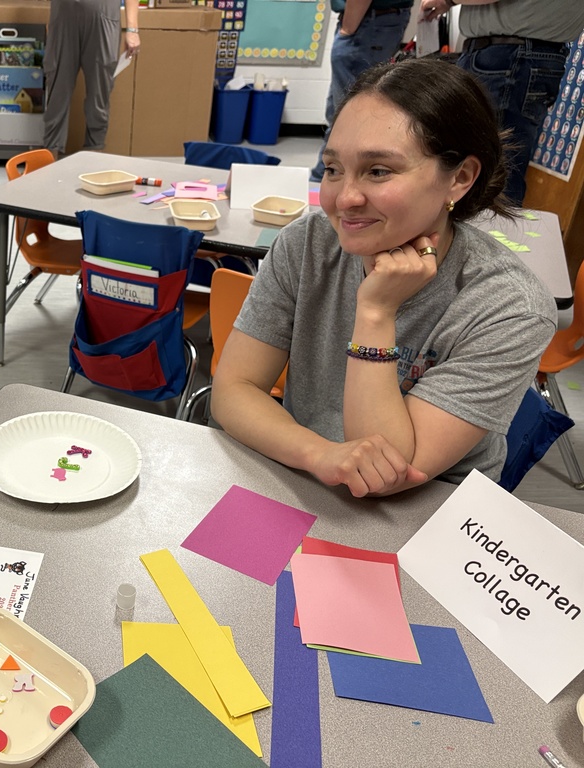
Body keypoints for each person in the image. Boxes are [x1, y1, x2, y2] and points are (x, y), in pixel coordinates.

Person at [211, 57, 556, 498]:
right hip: (307, 479)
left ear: (461, 178)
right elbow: (234, 390)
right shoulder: (307, 244)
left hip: (426, 511)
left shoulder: (509, 306)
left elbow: (390, 473)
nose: (344, 198)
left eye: (378, 171)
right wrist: (319, 454)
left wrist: (375, 311)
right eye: (333, 169)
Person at [420, 0, 584, 207]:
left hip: (510, 55)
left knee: (494, 174)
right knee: (490, 168)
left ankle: (487, 238)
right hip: (513, 52)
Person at [310, 0, 413, 182]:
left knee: (349, 111)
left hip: (366, 22)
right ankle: (327, 175)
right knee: (344, 107)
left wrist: (347, 30)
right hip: (374, 20)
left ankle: (330, 178)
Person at [42, 0, 141, 158]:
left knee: (99, 91)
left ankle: (93, 155)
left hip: (103, 17)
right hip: (63, 17)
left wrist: (132, 29)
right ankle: (50, 156)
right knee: (57, 91)